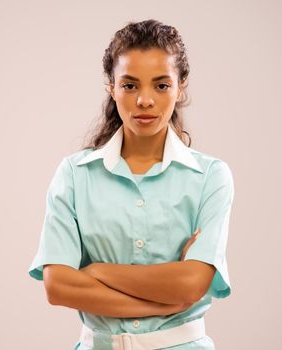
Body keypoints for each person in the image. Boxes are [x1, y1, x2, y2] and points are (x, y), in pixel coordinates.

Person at [28, 19, 235, 350]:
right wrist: (167, 301)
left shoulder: (210, 177)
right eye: (130, 85)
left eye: (161, 85)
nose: (145, 101)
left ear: (180, 86)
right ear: (111, 87)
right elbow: (58, 286)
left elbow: (192, 284)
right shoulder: (74, 175)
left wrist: (97, 271)